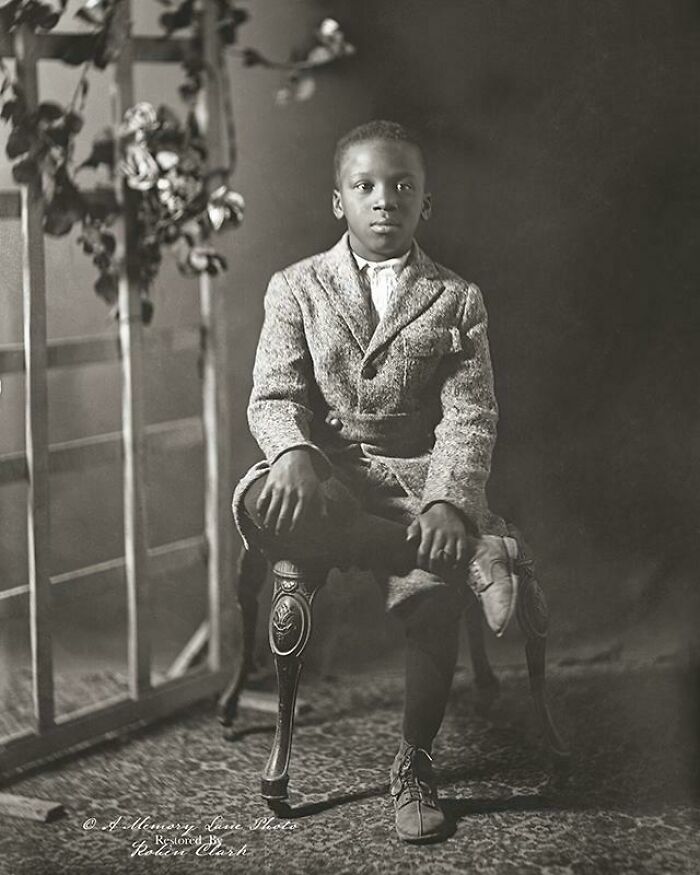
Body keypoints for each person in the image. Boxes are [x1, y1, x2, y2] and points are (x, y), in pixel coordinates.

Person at [234, 120, 521, 843]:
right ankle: (459, 554)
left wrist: (449, 502)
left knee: (433, 592)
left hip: (417, 477)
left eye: (402, 186)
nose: (383, 199)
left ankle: (415, 762)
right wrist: (293, 451)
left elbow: (471, 416)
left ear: (426, 203)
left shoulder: (456, 298)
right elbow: (273, 394)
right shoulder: (295, 286)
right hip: (329, 475)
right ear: (339, 201)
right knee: (264, 503)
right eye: (364, 186)